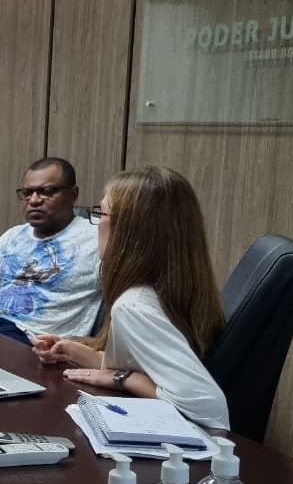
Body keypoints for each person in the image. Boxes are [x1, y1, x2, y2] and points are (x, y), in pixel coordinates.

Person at [31, 166, 229, 429]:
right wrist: (74, 350)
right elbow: (156, 367)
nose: (97, 222)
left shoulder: (134, 305)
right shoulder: (174, 286)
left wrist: (122, 378)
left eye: (101, 213)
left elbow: (209, 408)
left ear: (130, 230)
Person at [0, 158, 101, 345]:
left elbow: (120, 304)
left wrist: (93, 347)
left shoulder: (97, 237)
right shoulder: (12, 236)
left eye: (47, 192)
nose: (34, 200)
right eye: (27, 193)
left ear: (73, 194)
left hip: (32, 339)